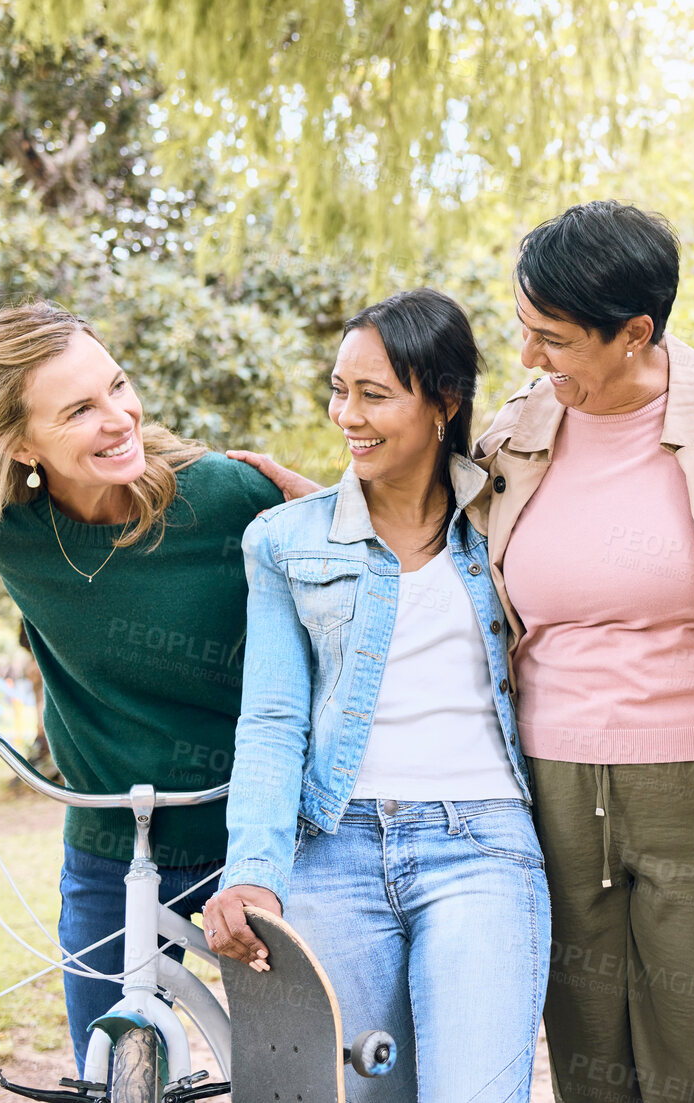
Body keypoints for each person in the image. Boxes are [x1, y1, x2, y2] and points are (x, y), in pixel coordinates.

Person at [0, 302, 285, 1070]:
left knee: (289, 1072)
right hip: (110, 845)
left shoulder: (226, 495)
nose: (120, 417)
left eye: (118, 385)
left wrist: (324, 509)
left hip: (255, 841)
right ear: (18, 442)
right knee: (102, 1067)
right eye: (79, 409)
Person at [474, 200, 694, 1102]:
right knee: (588, 1054)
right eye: (524, 330)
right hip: (551, 780)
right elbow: (430, 544)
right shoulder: (513, 436)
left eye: (553, 339)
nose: (529, 359)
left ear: (635, 332)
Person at [203, 289, 547, 1102]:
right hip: (335, 851)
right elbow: (273, 718)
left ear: (445, 400)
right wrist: (252, 867)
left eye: (374, 394)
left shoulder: (508, 519)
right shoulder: (285, 541)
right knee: (360, 1094)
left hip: (484, 848)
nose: (346, 415)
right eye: (338, 389)